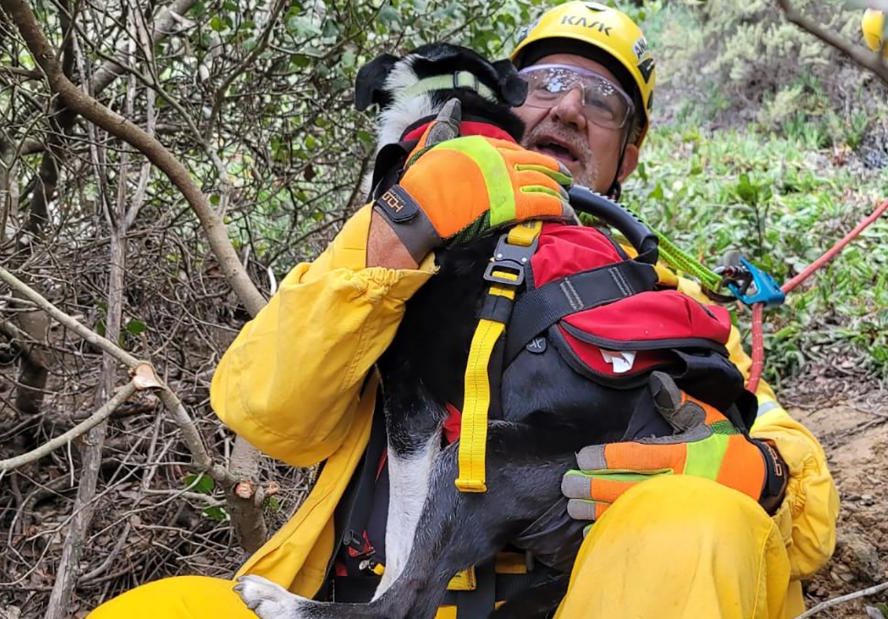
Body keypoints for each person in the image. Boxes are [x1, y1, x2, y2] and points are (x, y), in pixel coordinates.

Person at [91, 2, 838, 617]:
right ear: (505, 105)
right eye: (543, 81)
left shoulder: (661, 309)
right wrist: (401, 226)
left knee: (696, 525)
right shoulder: (404, 242)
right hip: (349, 600)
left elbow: (804, 515)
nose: (569, 106)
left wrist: (767, 472)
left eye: (603, 99)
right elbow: (263, 410)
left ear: (628, 155)